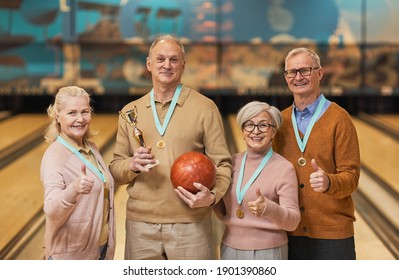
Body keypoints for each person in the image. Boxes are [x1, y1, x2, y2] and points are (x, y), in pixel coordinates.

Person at [109, 34, 232, 260]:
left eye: (174, 60)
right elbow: (116, 169)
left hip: (191, 224)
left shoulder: (205, 108)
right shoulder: (130, 112)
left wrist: (212, 197)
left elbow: (223, 164)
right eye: (160, 59)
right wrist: (132, 165)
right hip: (140, 226)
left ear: (183, 65)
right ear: (149, 64)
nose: (167, 65)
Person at [273, 47, 361, 260]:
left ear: (320, 73)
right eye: (291, 72)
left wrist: (329, 182)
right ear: (285, 77)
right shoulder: (279, 122)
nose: (298, 77)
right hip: (290, 230)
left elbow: (351, 176)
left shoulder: (340, 119)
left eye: (305, 70)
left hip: (332, 232)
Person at [213, 101, 300, 260]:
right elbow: (222, 211)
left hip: (269, 251)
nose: (256, 131)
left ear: (273, 131)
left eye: (263, 125)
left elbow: (293, 221)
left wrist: (270, 209)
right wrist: (210, 186)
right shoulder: (230, 163)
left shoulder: (284, 168)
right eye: (249, 125)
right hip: (229, 249)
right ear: (242, 131)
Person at [40, 86, 116, 260]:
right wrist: (73, 189)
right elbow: (51, 209)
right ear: (57, 116)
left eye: (85, 112)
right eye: (72, 113)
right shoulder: (55, 155)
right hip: (70, 256)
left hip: (100, 247)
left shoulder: (92, 148)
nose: (80, 119)